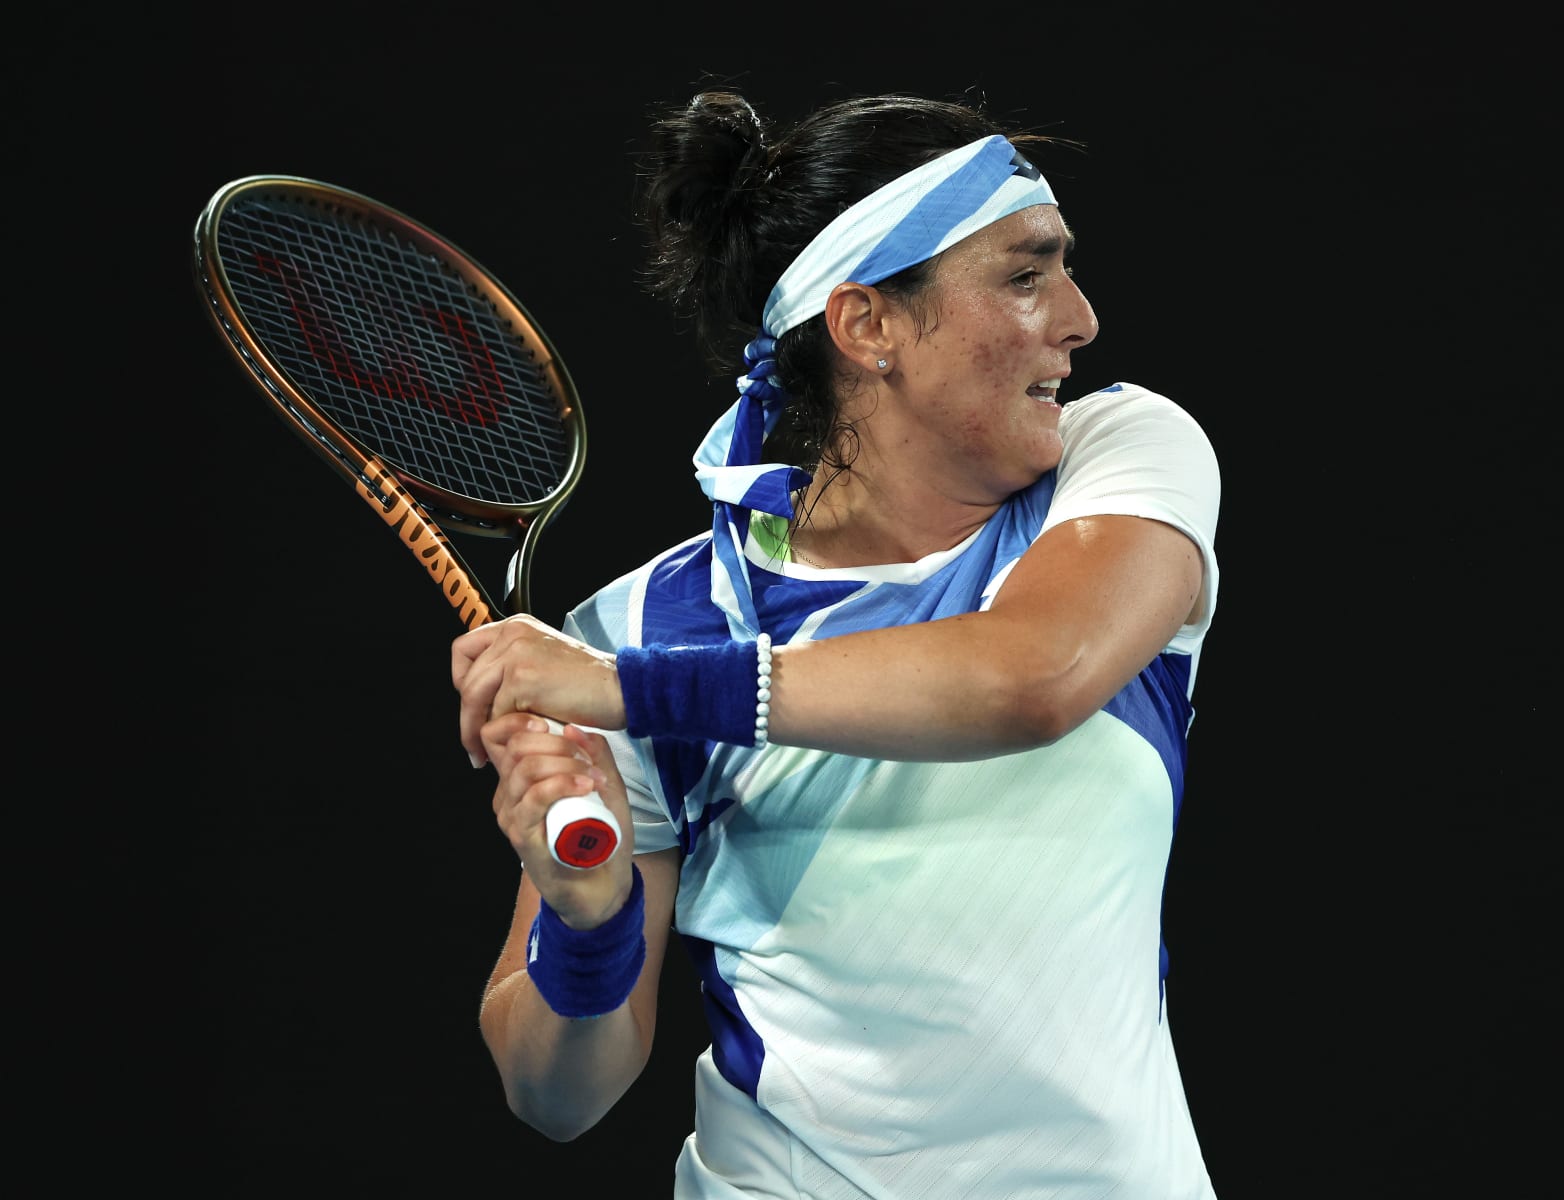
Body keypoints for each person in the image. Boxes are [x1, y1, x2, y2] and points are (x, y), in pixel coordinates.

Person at [450, 87, 1224, 1199]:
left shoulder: (1121, 461)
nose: (1080, 316)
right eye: (1024, 274)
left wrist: (630, 690)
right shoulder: (641, 632)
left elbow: (1032, 676)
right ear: (869, 326)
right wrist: (589, 918)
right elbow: (556, 1095)